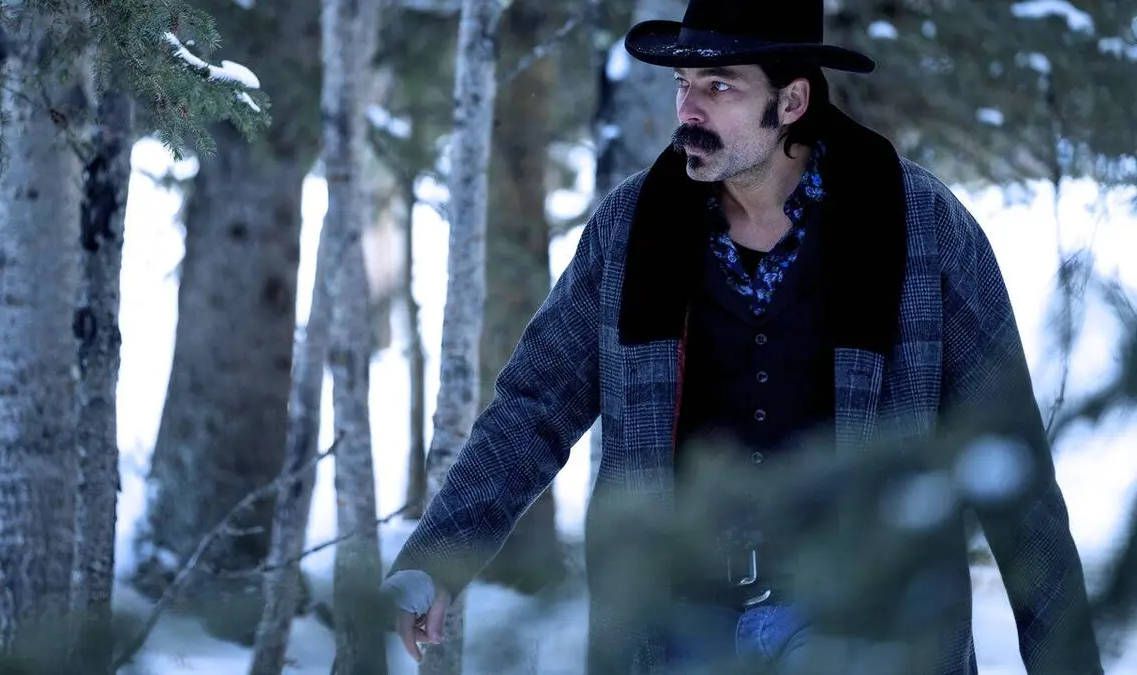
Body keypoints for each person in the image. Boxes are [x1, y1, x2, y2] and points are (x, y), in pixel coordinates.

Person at [380, 0, 1104, 673]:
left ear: (791, 102)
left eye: (719, 86)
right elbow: (535, 403)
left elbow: (1008, 455)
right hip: (677, 620)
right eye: (683, 84)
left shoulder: (919, 223)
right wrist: (436, 557)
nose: (688, 110)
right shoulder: (633, 227)